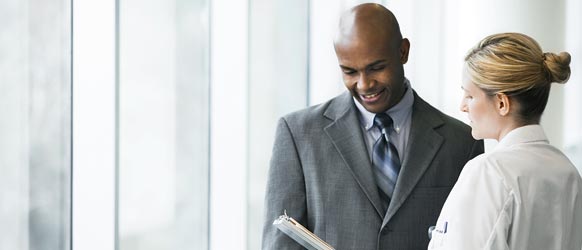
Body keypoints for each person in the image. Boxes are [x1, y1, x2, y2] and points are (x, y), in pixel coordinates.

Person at [262, 3, 483, 250]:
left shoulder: (463, 143)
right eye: (350, 72)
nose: (364, 84)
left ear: (403, 52)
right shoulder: (298, 134)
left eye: (376, 68)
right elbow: (280, 244)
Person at [428, 32, 582, 250]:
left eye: (470, 96)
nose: (463, 106)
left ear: (502, 103)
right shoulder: (568, 172)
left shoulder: (489, 171)